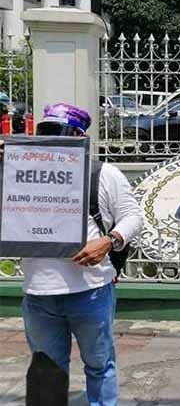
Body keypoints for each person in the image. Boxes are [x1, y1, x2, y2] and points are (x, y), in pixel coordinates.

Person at [21, 103, 144, 406]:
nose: (52, 141)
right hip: (39, 294)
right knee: (46, 372)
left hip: (89, 292)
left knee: (100, 366)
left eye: (59, 134)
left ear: (80, 137)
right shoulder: (20, 172)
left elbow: (133, 217)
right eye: (45, 133)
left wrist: (109, 240)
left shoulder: (104, 174)